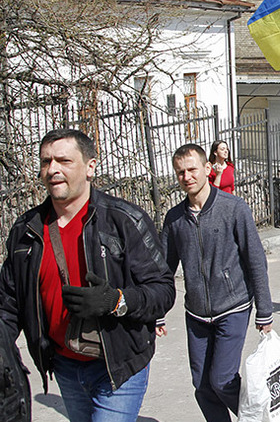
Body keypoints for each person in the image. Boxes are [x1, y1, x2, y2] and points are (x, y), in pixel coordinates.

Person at [0, 129, 175, 422]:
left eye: (64, 161)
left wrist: (116, 300)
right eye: (46, 162)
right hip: (65, 366)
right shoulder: (25, 231)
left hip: (119, 367)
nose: (52, 169)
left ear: (90, 167)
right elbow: (8, 303)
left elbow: (163, 289)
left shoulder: (124, 220)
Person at [158, 143, 273, 421]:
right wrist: (156, 312)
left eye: (192, 170)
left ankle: (259, 418)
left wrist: (265, 310)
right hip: (196, 313)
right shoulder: (174, 219)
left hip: (232, 307)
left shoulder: (233, 208)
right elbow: (163, 271)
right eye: (180, 172)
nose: (187, 177)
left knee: (222, 379)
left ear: (207, 169)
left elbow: (255, 259)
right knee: (202, 386)